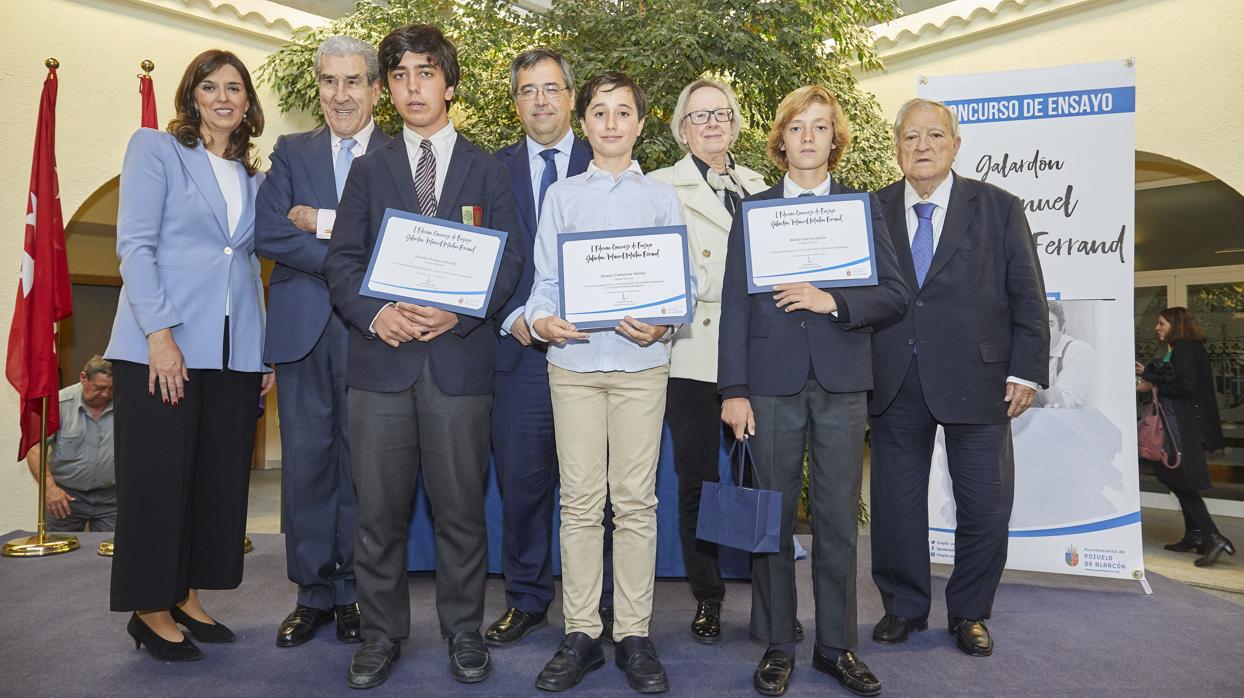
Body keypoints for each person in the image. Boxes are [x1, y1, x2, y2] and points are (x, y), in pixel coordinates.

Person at [322, 23, 523, 689]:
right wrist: (376, 313)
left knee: (461, 514)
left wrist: (461, 310)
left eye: (426, 73)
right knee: (377, 517)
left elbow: (510, 260)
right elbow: (343, 261)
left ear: (450, 84)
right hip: (380, 370)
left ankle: (465, 633)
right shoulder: (368, 170)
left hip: (458, 369)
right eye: (402, 74)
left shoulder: (488, 169)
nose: (414, 86)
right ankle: (381, 636)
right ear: (391, 89)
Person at [718, 85, 907, 697]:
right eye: (797, 127)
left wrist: (835, 301)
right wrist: (734, 388)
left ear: (835, 140)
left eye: (820, 127)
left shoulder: (863, 210)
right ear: (781, 140)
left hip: (842, 383)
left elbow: (895, 295)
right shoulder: (752, 212)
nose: (808, 137)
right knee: (772, 520)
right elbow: (734, 308)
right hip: (768, 388)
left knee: (835, 521)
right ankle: (778, 642)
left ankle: (836, 645)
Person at [105, 49, 274, 662]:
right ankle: (150, 609)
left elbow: (250, 262)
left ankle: (187, 595)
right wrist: (160, 335)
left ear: (248, 104)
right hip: (161, 347)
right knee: (158, 480)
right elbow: (136, 246)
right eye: (210, 87)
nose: (224, 97)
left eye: (235, 87)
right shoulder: (156, 150)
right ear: (192, 97)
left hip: (234, 355)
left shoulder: (256, 179)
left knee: (215, 481)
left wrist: (261, 355)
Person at [868, 98, 1048, 658]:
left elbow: (1028, 295)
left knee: (986, 504)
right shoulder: (868, 210)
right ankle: (903, 606)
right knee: (895, 504)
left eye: (934, 136)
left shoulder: (1000, 208)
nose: (922, 146)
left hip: (980, 378)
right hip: (892, 377)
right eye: (910, 137)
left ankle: (969, 610)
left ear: (955, 144)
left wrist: (1027, 370)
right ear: (896, 147)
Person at [526, 72, 685, 694]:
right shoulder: (562, 197)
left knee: (637, 502)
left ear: (641, 124)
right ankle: (582, 631)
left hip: (642, 369)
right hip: (575, 368)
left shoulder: (660, 197)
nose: (612, 122)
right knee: (582, 503)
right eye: (600, 111)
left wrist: (664, 322)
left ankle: (635, 634)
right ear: (583, 122)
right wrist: (541, 320)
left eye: (624, 112)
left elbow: (683, 292)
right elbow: (544, 283)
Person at [257, 35, 390, 649]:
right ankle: (312, 595)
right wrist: (351, 255)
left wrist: (323, 222)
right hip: (304, 330)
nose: (341, 94)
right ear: (319, 86)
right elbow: (271, 234)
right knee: (307, 467)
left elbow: (403, 238)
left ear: (375, 89)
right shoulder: (290, 151)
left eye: (353, 81)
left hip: (372, 330)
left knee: (364, 470)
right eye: (330, 81)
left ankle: (356, 595)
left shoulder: (398, 153)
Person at [487, 47, 617, 649]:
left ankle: (604, 602)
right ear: (515, 103)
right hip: (520, 356)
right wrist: (515, 315)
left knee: (601, 486)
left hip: (599, 354)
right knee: (524, 483)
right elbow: (480, 256)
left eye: (551, 89)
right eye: (527, 91)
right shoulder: (492, 169)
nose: (539, 100)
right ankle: (528, 598)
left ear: (572, 98)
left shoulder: (613, 158)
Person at [648, 78, 767, 645]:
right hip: (692, 354)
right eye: (699, 117)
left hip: (757, 358)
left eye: (721, 114)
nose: (712, 124)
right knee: (698, 480)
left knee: (762, 479)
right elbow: (665, 278)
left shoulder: (761, 185)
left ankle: (772, 600)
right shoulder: (657, 188)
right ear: (681, 129)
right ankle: (709, 597)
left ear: (737, 123)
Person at [1137, 306, 1232, 566]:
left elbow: (1183, 385)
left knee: (1181, 481)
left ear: (1176, 326)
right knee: (1178, 480)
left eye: (1161, 323)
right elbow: (1176, 378)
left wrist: (1150, 380)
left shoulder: (1184, 349)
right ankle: (1196, 535)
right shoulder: (1184, 349)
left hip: (1185, 427)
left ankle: (1213, 537)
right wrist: (1149, 373)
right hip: (1186, 426)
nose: (1157, 328)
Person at [25, 355, 116, 532]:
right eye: (99, 388)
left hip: (111, 499)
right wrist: (50, 489)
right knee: (59, 554)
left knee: (112, 555)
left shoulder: (124, 404)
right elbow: (34, 448)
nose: (105, 395)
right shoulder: (58, 405)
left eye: (111, 389)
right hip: (64, 496)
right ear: (83, 378)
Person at [1035, 300, 1096, 408]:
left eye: (1049, 324)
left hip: (1077, 421)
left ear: (1062, 328)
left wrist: (1028, 380)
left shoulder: (1079, 351)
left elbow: (1062, 404)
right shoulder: (1031, 352)